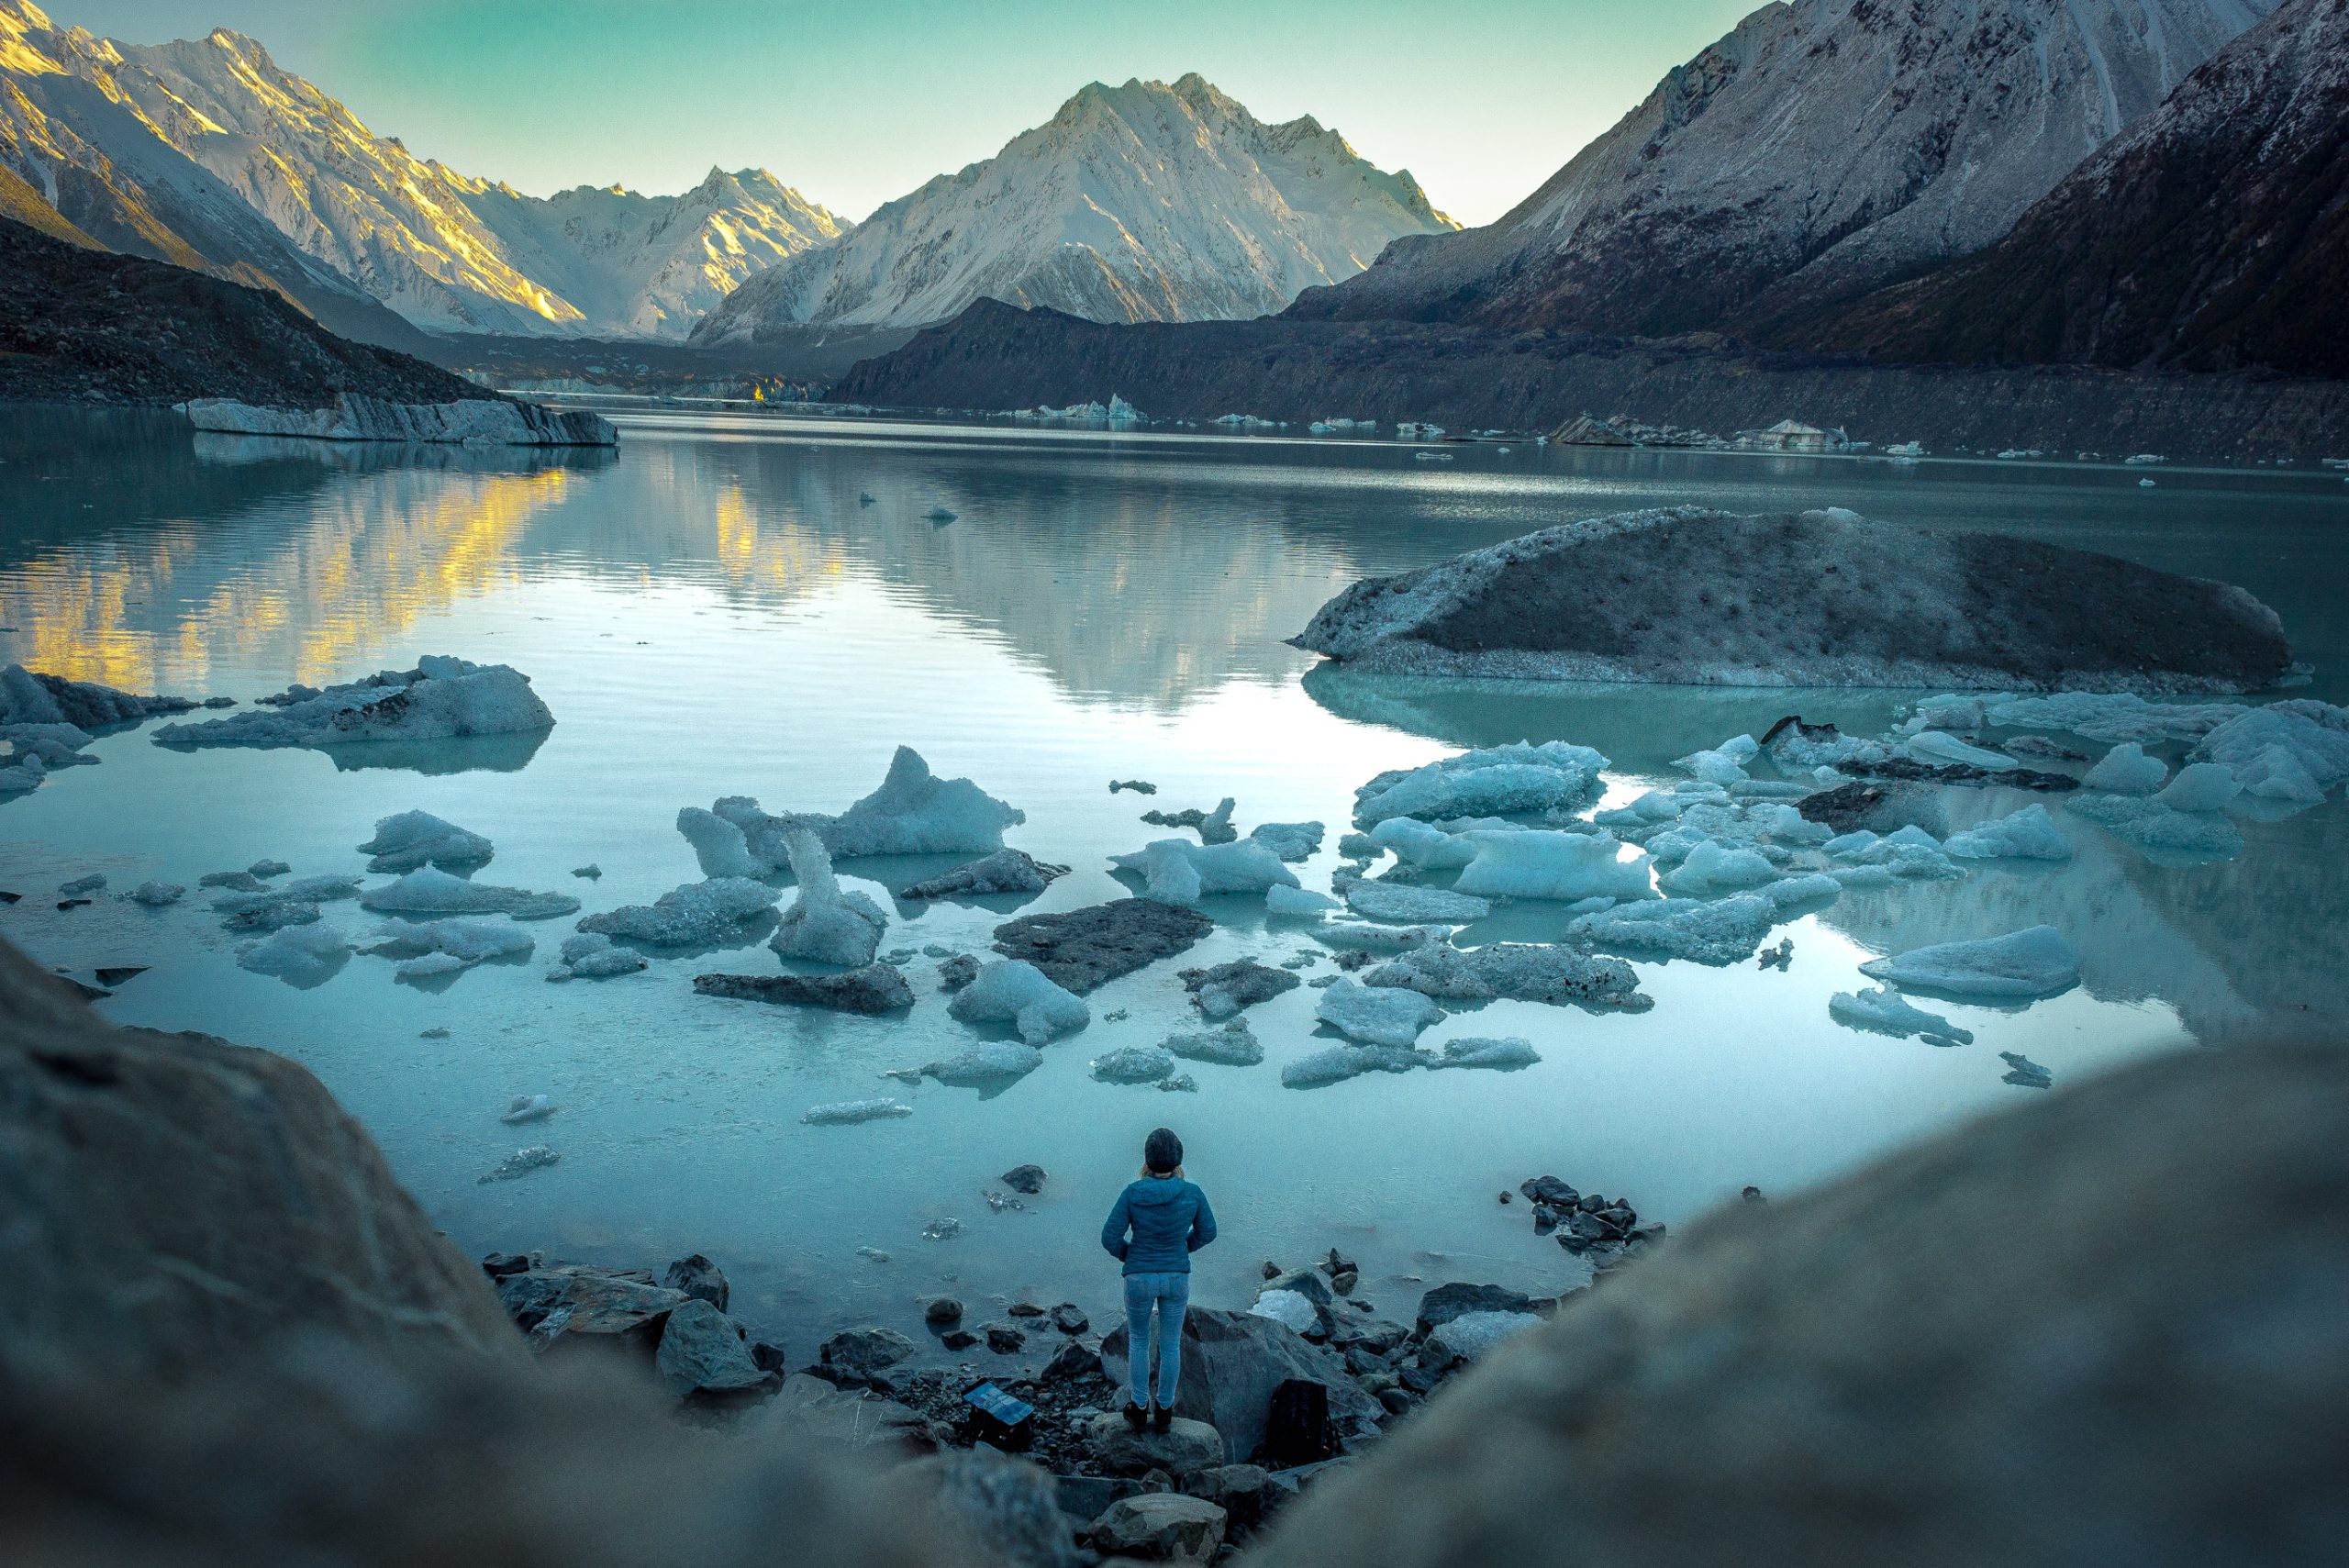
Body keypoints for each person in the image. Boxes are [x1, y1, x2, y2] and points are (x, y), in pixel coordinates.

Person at [1100, 1126, 1217, 1432]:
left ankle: (1139, 1407)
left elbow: (1109, 1237)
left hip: (1139, 1277)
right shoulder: (1192, 1193)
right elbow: (1209, 1232)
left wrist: (1131, 1256)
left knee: (1139, 1341)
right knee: (1170, 1345)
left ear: (1147, 1160)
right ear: (1178, 1158)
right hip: (1176, 1277)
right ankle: (1164, 1409)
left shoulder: (1132, 1192)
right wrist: (1182, 1249)